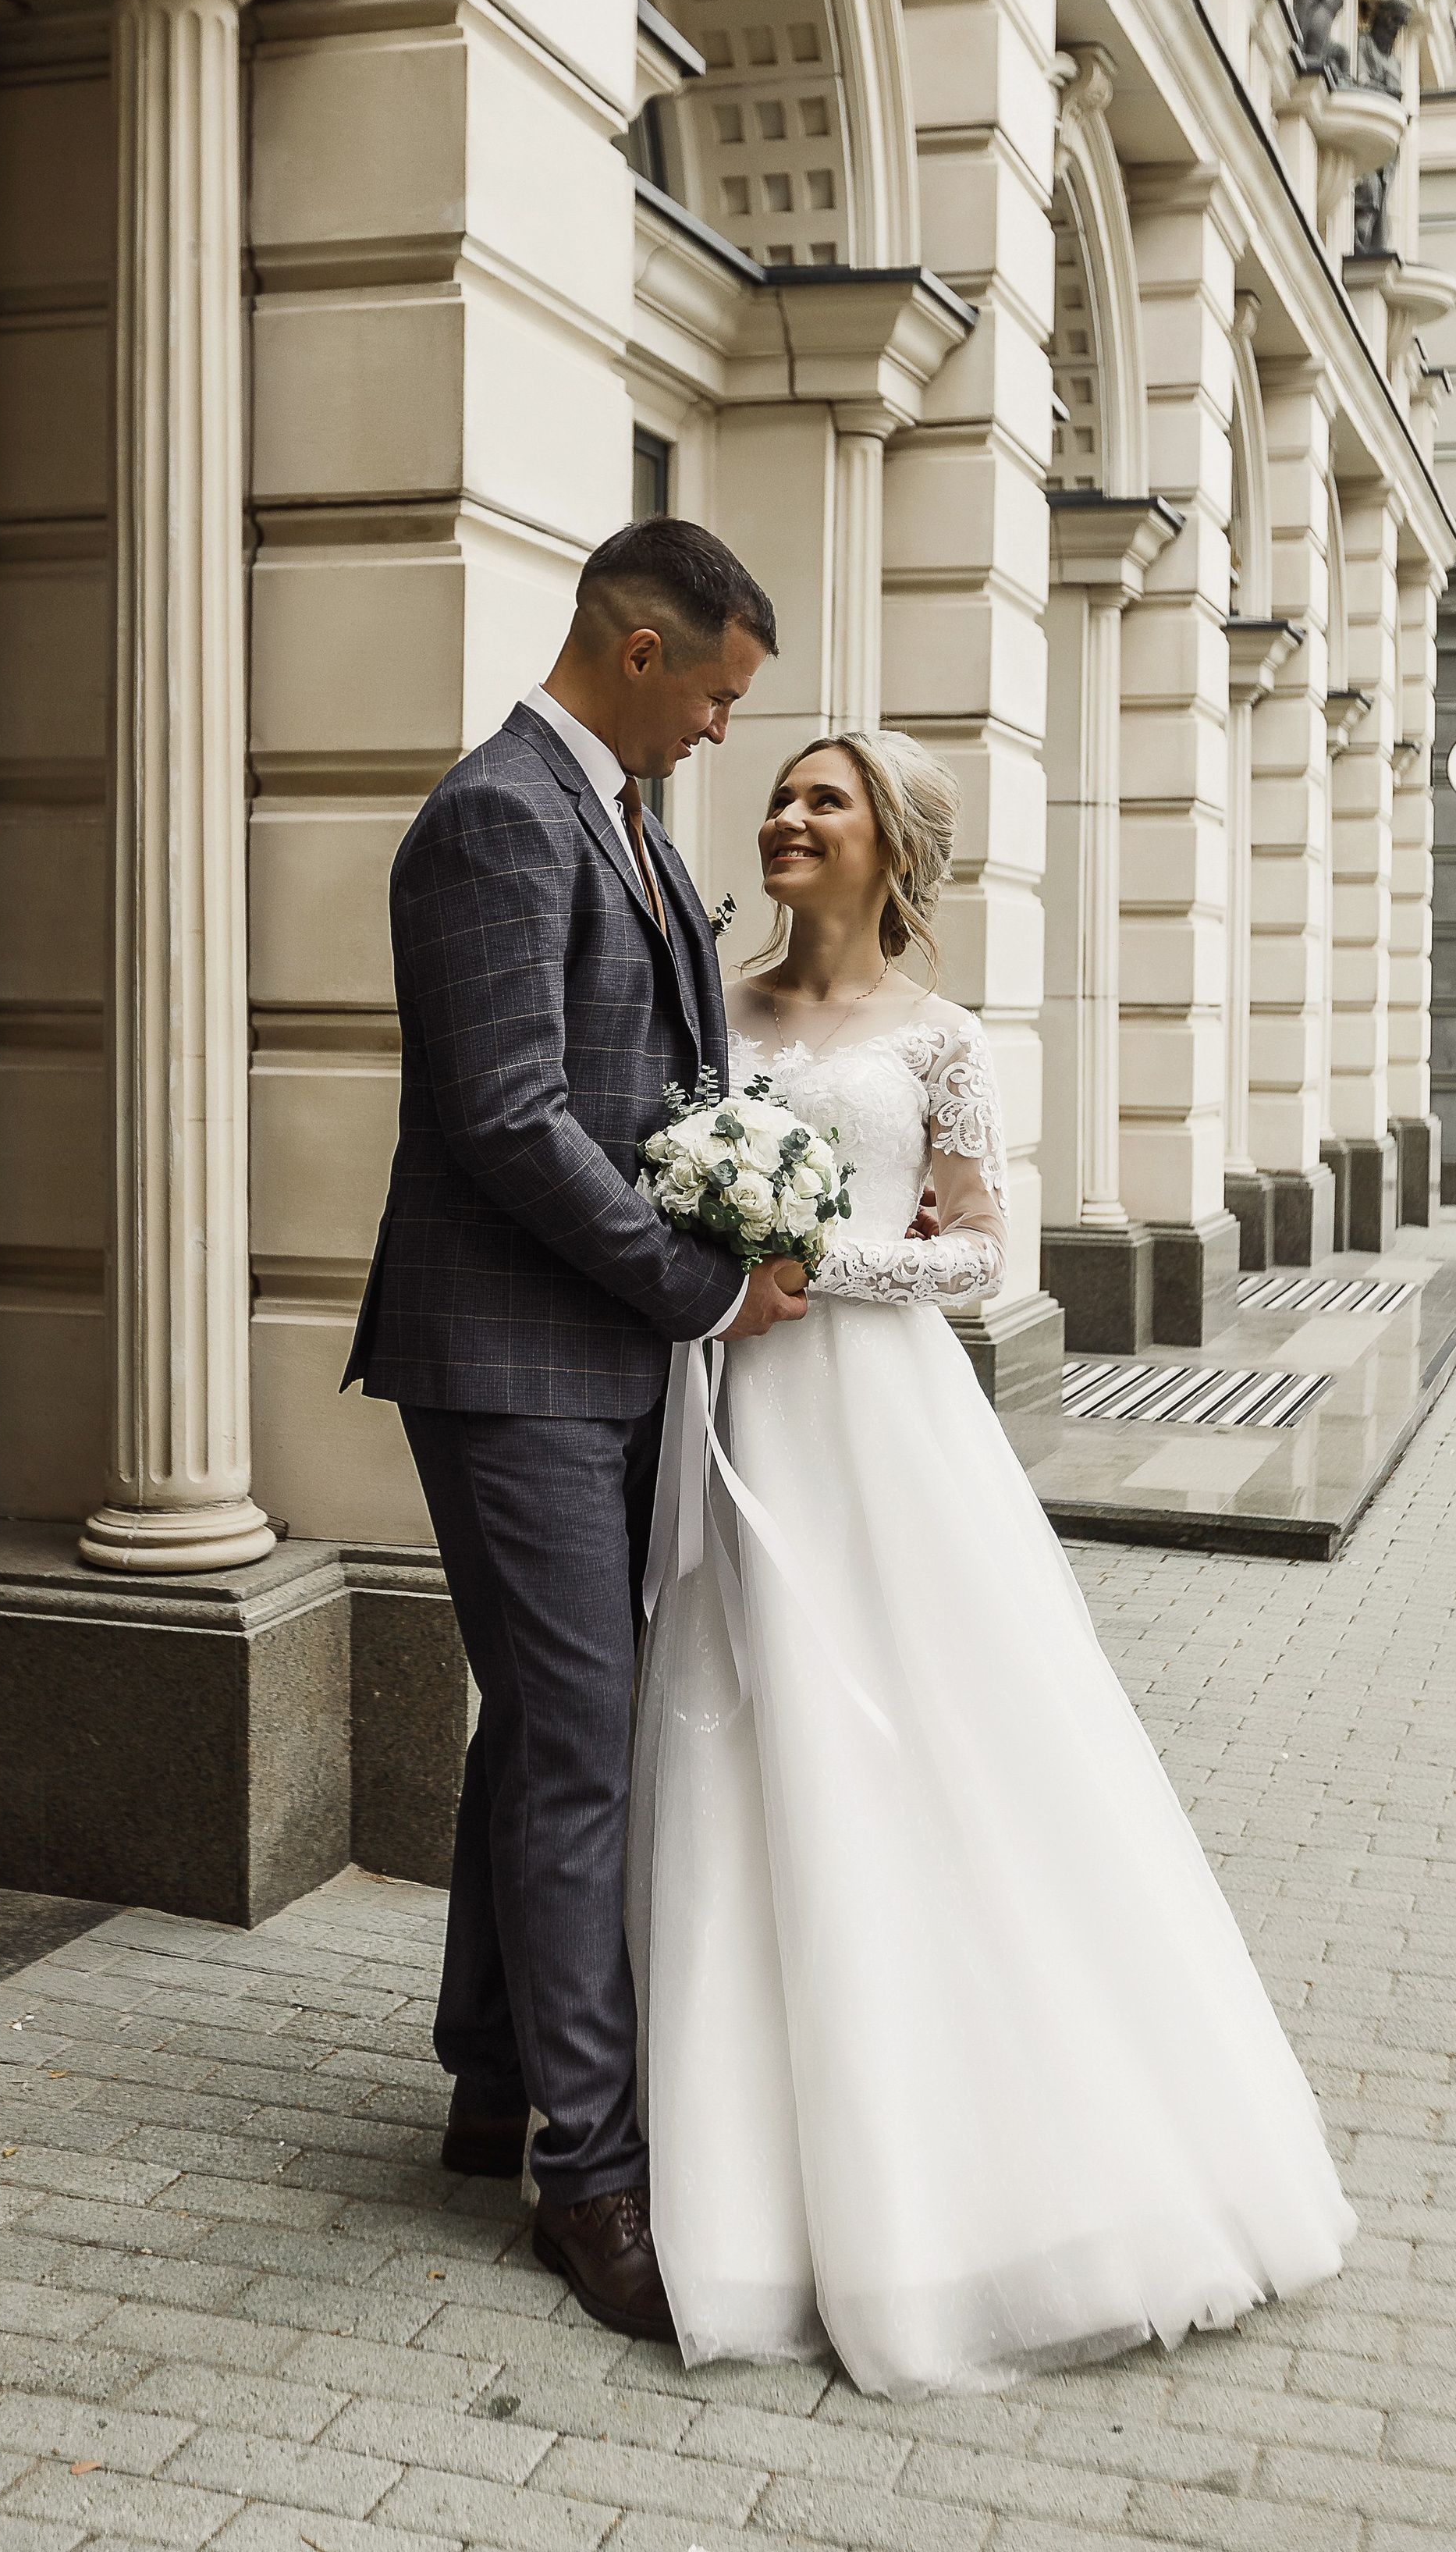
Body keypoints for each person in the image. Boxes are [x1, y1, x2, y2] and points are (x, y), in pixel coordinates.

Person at [628, 730, 1356, 2398]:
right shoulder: (709, 1012)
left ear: (891, 847)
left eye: (823, 800)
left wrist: (804, 1259)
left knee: (909, 1738)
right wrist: (714, 1258)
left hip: (873, 1426)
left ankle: (963, 2184)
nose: (785, 815)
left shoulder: (942, 1040)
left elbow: (974, 1253)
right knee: (730, 1730)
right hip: (723, 1407)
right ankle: (727, 2170)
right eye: (781, 794)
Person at [343, 516, 805, 2344]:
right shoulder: (497, 815)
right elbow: (510, 1116)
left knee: (545, 1721)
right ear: (638, 651)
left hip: (595, 1356)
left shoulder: (620, 815)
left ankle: (489, 2076)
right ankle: (588, 2173)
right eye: (715, 692)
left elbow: (649, 1081)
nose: (719, 728)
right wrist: (692, 1282)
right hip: (511, 1360)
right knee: (580, 1745)